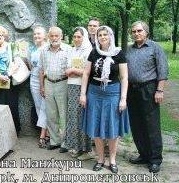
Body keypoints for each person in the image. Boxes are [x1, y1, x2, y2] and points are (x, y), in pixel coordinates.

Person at [80, 26, 130, 174]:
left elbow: (124, 77)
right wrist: (83, 94)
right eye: (100, 35)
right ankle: (100, 159)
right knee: (96, 127)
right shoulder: (94, 52)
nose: (102, 37)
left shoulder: (119, 53)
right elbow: (86, 73)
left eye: (105, 34)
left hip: (113, 93)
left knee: (112, 128)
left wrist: (123, 98)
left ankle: (112, 160)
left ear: (111, 36)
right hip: (94, 94)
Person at [126, 21, 168, 173]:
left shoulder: (155, 48)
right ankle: (143, 155)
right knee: (136, 124)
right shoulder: (128, 50)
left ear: (146, 32)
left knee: (151, 125)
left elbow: (163, 70)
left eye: (139, 31)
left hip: (149, 89)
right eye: (134, 31)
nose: (136, 33)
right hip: (132, 91)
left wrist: (160, 90)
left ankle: (155, 159)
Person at [39, 26, 71, 152]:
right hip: (48, 83)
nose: (54, 38)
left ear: (61, 36)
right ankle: (54, 140)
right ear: (48, 37)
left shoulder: (68, 50)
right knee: (51, 114)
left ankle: (65, 142)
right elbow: (41, 70)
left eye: (56, 36)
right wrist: (42, 86)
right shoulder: (44, 50)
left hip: (62, 83)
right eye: (51, 36)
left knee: (63, 114)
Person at [0, 25, 21, 134]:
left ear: (4, 35)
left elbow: (18, 63)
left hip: (9, 81)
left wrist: (7, 75)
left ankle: (13, 131)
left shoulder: (12, 46)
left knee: (12, 106)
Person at [64, 27, 92, 158]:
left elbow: (89, 71)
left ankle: (84, 147)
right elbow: (66, 68)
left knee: (80, 115)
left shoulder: (88, 51)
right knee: (72, 116)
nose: (76, 39)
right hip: (71, 85)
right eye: (74, 36)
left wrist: (74, 70)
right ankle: (74, 145)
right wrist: (72, 70)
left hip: (82, 87)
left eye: (79, 37)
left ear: (84, 37)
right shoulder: (72, 50)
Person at [28, 26, 48, 148]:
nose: (36, 36)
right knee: (38, 106)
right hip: (33, 79)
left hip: (45, 81)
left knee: (45, 107)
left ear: (44, 35)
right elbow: (31, 65)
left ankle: (42, 135)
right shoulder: (33, 49)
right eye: (35, 34)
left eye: (39, 34)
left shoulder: (47, 48)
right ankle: (48, 133)